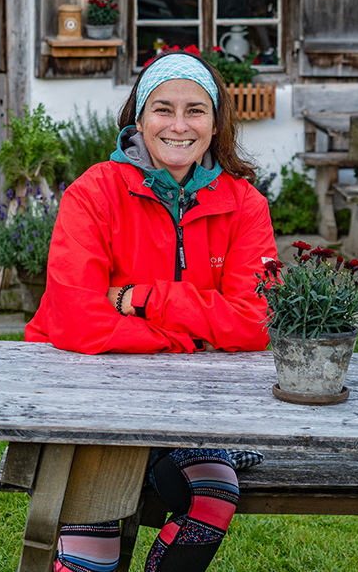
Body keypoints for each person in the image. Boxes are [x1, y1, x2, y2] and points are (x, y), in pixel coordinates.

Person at [26, 50, 276, 572]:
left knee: (212, 494)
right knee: (92, 539)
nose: (179, 125)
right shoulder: (95, 192)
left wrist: (143, 300)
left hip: (192, 413)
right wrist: (186, 338)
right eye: (163, 109)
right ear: (139, 118)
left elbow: (254, 323)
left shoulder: (244, 204)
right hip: (88, 405)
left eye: (196, 111)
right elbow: (74, 319)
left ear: (216, 123)